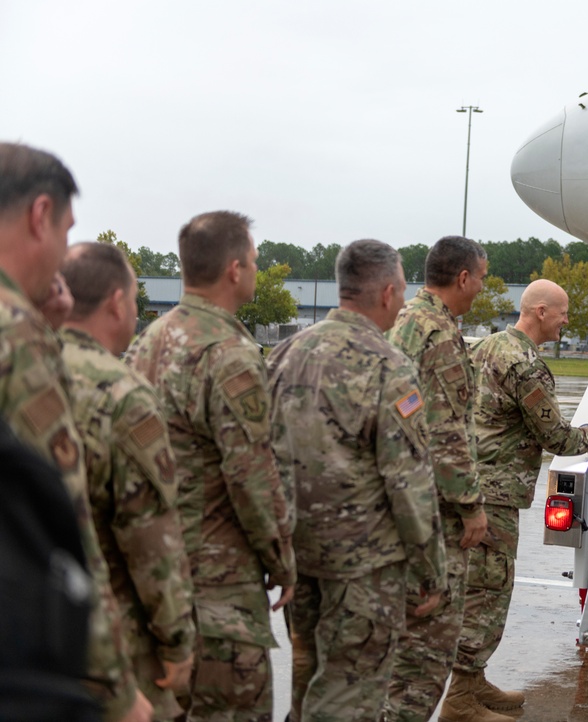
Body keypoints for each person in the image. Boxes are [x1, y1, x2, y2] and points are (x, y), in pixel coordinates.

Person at [0, 142, 152, 722]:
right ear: (40, 216)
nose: (64, 254)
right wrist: (115, 687)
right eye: (65, 231)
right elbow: (66, 522)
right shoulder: (20, 336)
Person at [267, 239, 447, 722]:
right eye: (403, 292)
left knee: (307, 685)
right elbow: (407, 480)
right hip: (363, 570)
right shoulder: (388, 366)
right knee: (349, 694)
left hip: (297, 559)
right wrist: (432, 568)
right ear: (387, 292)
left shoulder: (284, 355)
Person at [127, 211, 295, 722]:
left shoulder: (147, 343)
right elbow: (251, 473)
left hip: (153, 578)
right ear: (235, 269)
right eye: (255, 260)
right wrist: (281, 557)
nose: (256, 269)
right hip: (216, 587)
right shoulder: (229, 353)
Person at [442, 279, 588, 722]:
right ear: (540, 311)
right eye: (562, 312)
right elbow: (558, 436)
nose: (566, 320)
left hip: (466, 485)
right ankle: (460, 700)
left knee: (476, 588)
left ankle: (473, 680)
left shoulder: (484, 347)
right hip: (494, 497)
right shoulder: (525, 366)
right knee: (489, 593)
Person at [60, 242, 196, 722]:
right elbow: (150, 540)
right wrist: (177, 642)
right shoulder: (123, 396)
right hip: (114, 639)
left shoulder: (22, 367)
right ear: (117, 303)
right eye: (136, 300)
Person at [385, 236, 489, 722]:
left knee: (399, 648)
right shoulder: (439, 334)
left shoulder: (404, 322)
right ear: (463, 278)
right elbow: (446, 432)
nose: (482, 290)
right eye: (482, 279)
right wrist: (470, 505)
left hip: (401, 500)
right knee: (427, 653)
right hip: (435, 512)